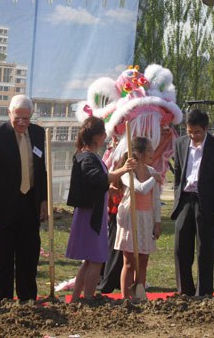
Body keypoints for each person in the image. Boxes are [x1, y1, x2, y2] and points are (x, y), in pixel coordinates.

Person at [0, 95, 47, 301]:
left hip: (29, 206)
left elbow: (41, 170)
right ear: (9, 113)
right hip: (2, 208)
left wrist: (43, 200)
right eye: (17, 118)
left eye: (26, 119)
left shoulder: (37, 133)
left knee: (28, 256)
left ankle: (28, 300)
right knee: (3, 259)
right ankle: (2, 302)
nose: (21, 123)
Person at [65, 117, 134, 301]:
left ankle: (76, 297)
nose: (105, 137)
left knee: (89, 259)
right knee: (95, 258)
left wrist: (107, 189)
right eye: (103, 134)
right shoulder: (87, 157)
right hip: (90, 215)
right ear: (97, 136)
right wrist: (124, 169)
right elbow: (97, 179)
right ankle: (87, 297)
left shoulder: (89, 155)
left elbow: (95, 183)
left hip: (93, 212)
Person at [171, 109, 214, 296]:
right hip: (185, 201)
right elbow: (178, 175)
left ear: (205, 128)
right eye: (189, 131)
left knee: (205, 249)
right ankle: (184, 291)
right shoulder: (180, 144)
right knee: (180, 248)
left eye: (197, 132)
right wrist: (177, 196)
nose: (193, 135)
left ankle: (203, 292)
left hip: (207, 203)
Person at [114, 137, 162, 299]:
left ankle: (139, 295)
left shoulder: (151, 171)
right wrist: (153, 179)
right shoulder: (127, 172)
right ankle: (125, 298)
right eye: (148, 149)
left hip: (146, 219)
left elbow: (155, 200)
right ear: (139, 153)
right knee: (129, 262)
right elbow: (140, 188)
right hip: (131, 220)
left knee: (143, 261)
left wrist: (157, 222)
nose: (152, 152)